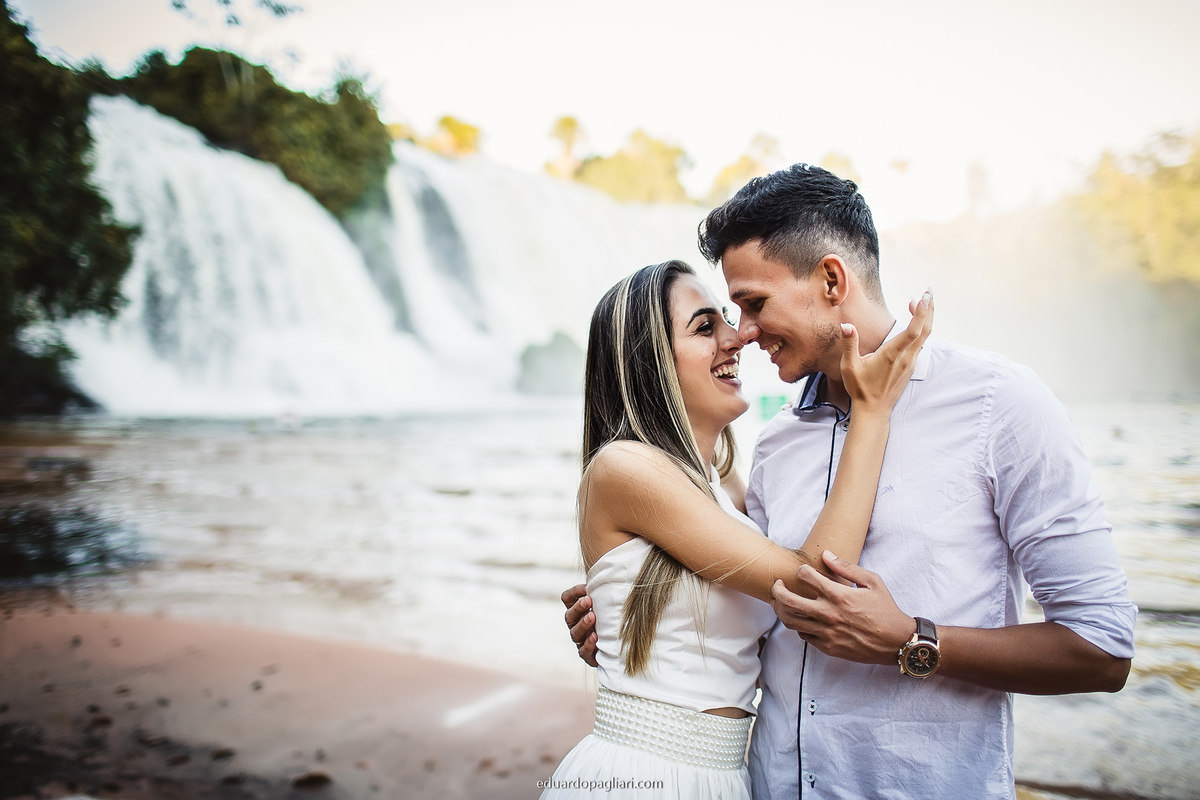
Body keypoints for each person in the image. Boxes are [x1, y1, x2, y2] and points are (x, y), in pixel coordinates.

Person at [563, 164, 1138, 799]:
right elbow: (770, 600)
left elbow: (1102, 648)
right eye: (723, 316)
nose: (744, 334)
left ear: (832, 279)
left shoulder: (999, 405)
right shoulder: (776, 445)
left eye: (753, 304)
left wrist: (915, 642)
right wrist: (634, 611)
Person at [542, 259, 933, 799]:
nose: (737, 337)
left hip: (724, 774)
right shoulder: (623, 468)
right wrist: (872, 411)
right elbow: (812, 584)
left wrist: (617, 616)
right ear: (649, 363)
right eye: (705, 327)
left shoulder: (721, 487)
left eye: (727, 317)